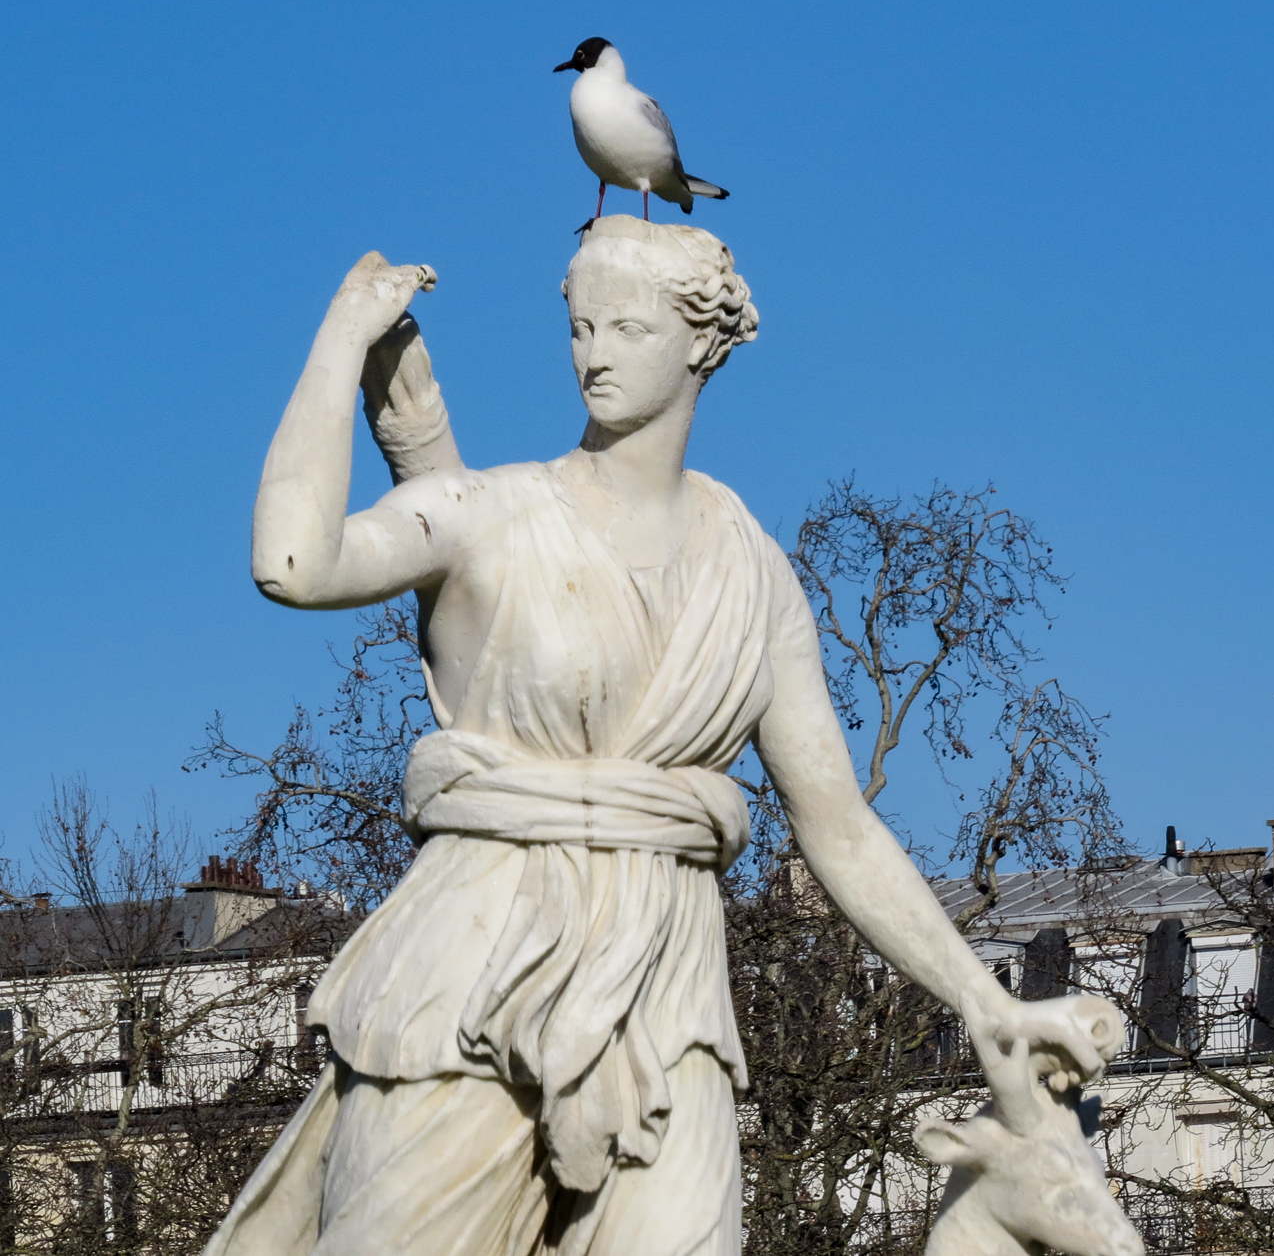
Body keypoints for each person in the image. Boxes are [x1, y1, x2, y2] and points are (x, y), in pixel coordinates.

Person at [207, 216, 1120, 1256]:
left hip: (669, 991)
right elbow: (294, 562)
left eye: (625, 327)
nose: (592, 350)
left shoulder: (753, 570)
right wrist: (339, 341)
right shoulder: (488, 513)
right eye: (580, 326)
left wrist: (980, 998)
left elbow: (837, 826)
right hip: (470, 974)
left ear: (697, 343)